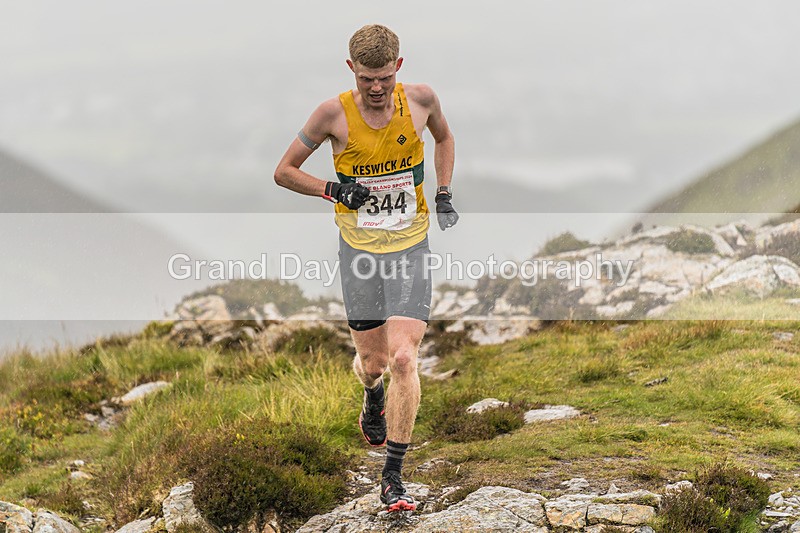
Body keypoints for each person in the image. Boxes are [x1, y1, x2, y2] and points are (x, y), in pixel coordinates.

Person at [274, 23, 458, 512]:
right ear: (351, 69)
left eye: (384, 78)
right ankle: (371, 394)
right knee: (374, 364)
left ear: (398, 67)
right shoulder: (331, 114)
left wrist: (443, 193)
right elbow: (284, 171)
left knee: (403, 358)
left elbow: (445, 140)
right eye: (366, 80)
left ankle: (393, 477)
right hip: (359, 253)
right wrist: (333, 190)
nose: (376, 89)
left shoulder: (421, 100)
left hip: (410, 247)